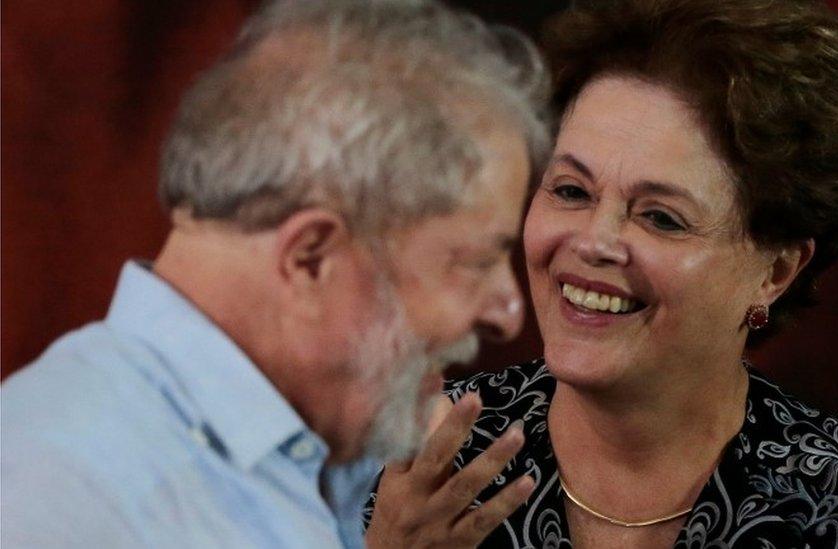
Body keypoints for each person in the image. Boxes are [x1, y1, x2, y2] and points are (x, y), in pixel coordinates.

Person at [366, 0, 838, 547]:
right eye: (572, 190)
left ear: (776, 271)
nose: (594, 241)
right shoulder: (420, 466)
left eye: (661, 217)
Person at [0, 0, 553, 547]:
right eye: (474, 262)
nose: (508, 311)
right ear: (310, 259)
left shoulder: (311, 466)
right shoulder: (62, 503)